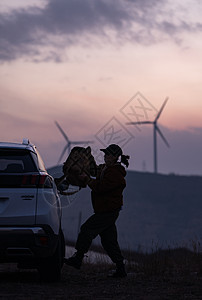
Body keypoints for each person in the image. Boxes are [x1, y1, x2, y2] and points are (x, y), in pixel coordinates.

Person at [64, 144, 130, 278]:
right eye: (105, 154)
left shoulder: (115, 173)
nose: (105, 156)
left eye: (107, 154)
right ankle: (121, 268)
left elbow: (100, 187)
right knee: (109, 241)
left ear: (114, 157)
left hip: (107, 212)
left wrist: (87, 180)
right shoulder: (105, 168)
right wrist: (85, 159)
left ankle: (78, 258)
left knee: (87, 229)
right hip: (105, 211)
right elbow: (94, 171)